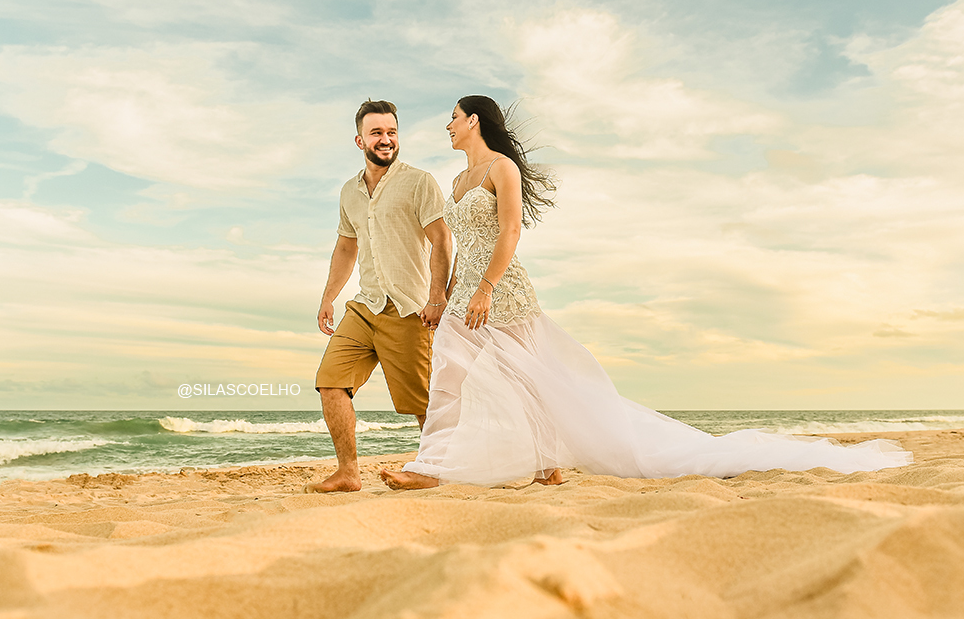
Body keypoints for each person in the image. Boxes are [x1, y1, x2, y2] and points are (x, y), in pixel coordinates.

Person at [380, 95, 911, 489]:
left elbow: (511, 232)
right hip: (461, 294)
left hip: (501, 291)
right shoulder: (455, 183)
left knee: (531, 377)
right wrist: (448, 292)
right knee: (453, 375)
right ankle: (487, 464)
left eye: (452, 117)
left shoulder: (502, 168)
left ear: (474, 120)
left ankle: (470, 468)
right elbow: (459, 242)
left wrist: (487, 288)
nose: (447, 126)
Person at [308, 99, 453, 493]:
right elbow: (345, 248)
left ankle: (435, 470)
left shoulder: (419, 181)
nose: (386, 139)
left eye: (391, 132)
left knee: (422, 402)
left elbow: (441, 239)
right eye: (377, 133)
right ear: (360, 140)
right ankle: (348, 473)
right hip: (365, 305)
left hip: (410, 308)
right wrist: (328, 297)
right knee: (330, 382)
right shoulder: (348, 192)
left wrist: (437, 295)